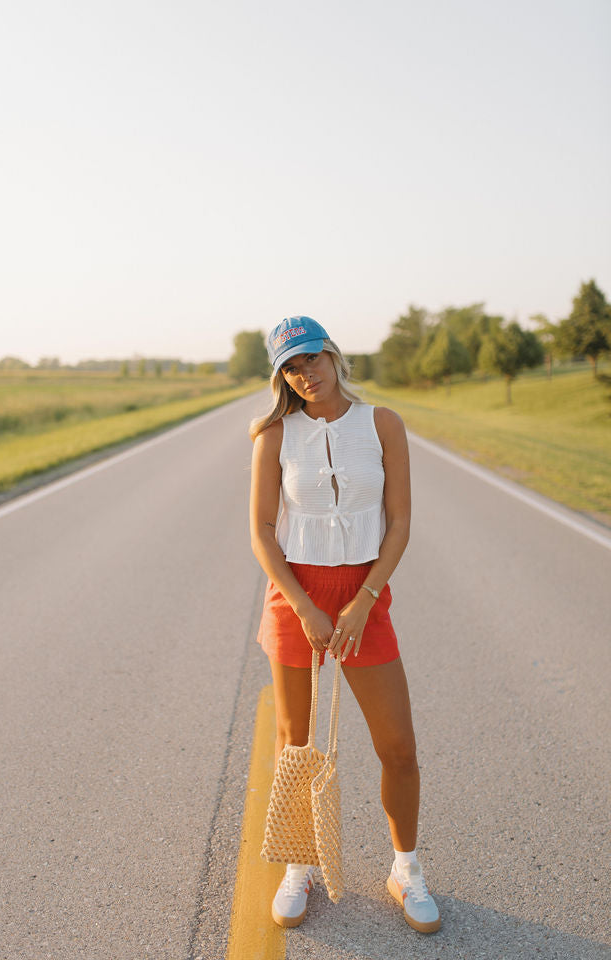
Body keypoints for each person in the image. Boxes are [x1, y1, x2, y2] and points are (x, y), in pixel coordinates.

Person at [249, 316, 440, 934]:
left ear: (333, 355)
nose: (305, 374)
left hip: (364, 595)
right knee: (295, 746)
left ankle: (405, 868)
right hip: (295, 597)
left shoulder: (382, 423)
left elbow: (401, 521)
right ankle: (298, 866)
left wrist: (363, 600)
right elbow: (261, 532)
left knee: (399, 747)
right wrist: (305, 607)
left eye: (312, 359)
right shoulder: (274, 435)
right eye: (291, 367)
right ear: (282, 375)